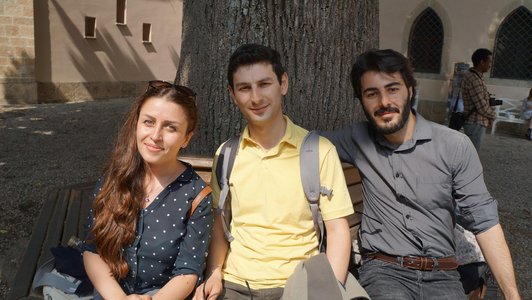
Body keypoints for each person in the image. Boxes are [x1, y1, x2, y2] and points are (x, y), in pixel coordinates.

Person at [321, 49, 521, 300]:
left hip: (443, 274)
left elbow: (484, 222)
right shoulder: (356, 139)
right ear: (361, 100)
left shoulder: (454, 145)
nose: (384, 102)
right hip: (385, 272)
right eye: (372, 94)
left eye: (393, 89)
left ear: (410, 91)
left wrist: (512, 295)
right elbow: (296, 141)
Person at [193, 44, 354, 300]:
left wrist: (330, 290)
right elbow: (220, 224)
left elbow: (337, 230)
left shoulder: (319, 151)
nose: (256, 98)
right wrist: (213, 273)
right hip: (234, 285)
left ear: (283, 84)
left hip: (298, 285)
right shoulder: (226, 154)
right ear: (232, 95)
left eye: (264, 84)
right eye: (244, 88)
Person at [82, 81, 214, 300]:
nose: (155, 135)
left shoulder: (196, 196)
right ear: (137, 124)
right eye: (148, 122)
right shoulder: (113, 179)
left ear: (187, 138)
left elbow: (187, 272)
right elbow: (93, 249)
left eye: (170, 127)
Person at [461, 48, 496, 152]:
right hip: (475, 122)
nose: (490, 65)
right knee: (472, 155)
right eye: (489, 61)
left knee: (470, 154)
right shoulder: (474, 79)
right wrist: (493, 115)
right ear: (481, 62)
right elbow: (481, 106)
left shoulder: (476, 76)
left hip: (478, 121)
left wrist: (488, 118)